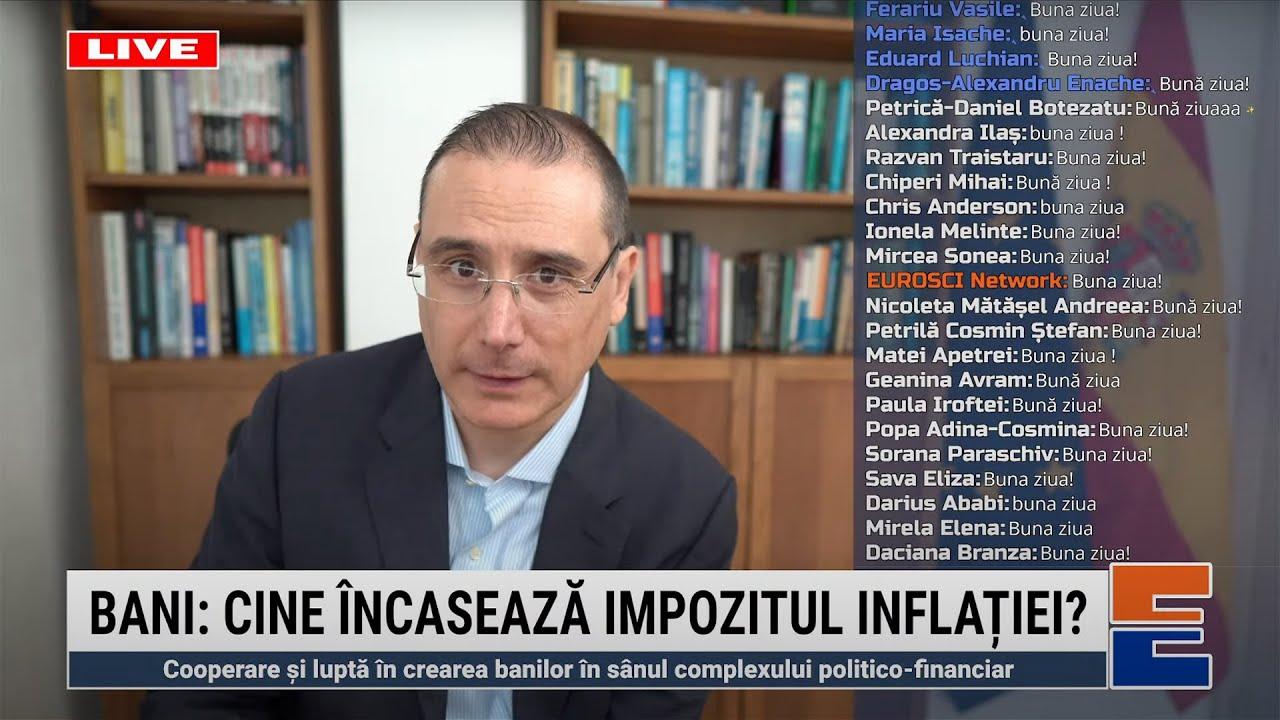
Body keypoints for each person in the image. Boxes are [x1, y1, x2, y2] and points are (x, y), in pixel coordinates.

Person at [142, 103, 738, 720]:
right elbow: (201, 693)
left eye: (549, 276)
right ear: (420, 256)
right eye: (462, 268)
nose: (498, 331)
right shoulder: (295, 425)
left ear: (619, 287)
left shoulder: (686, 503)